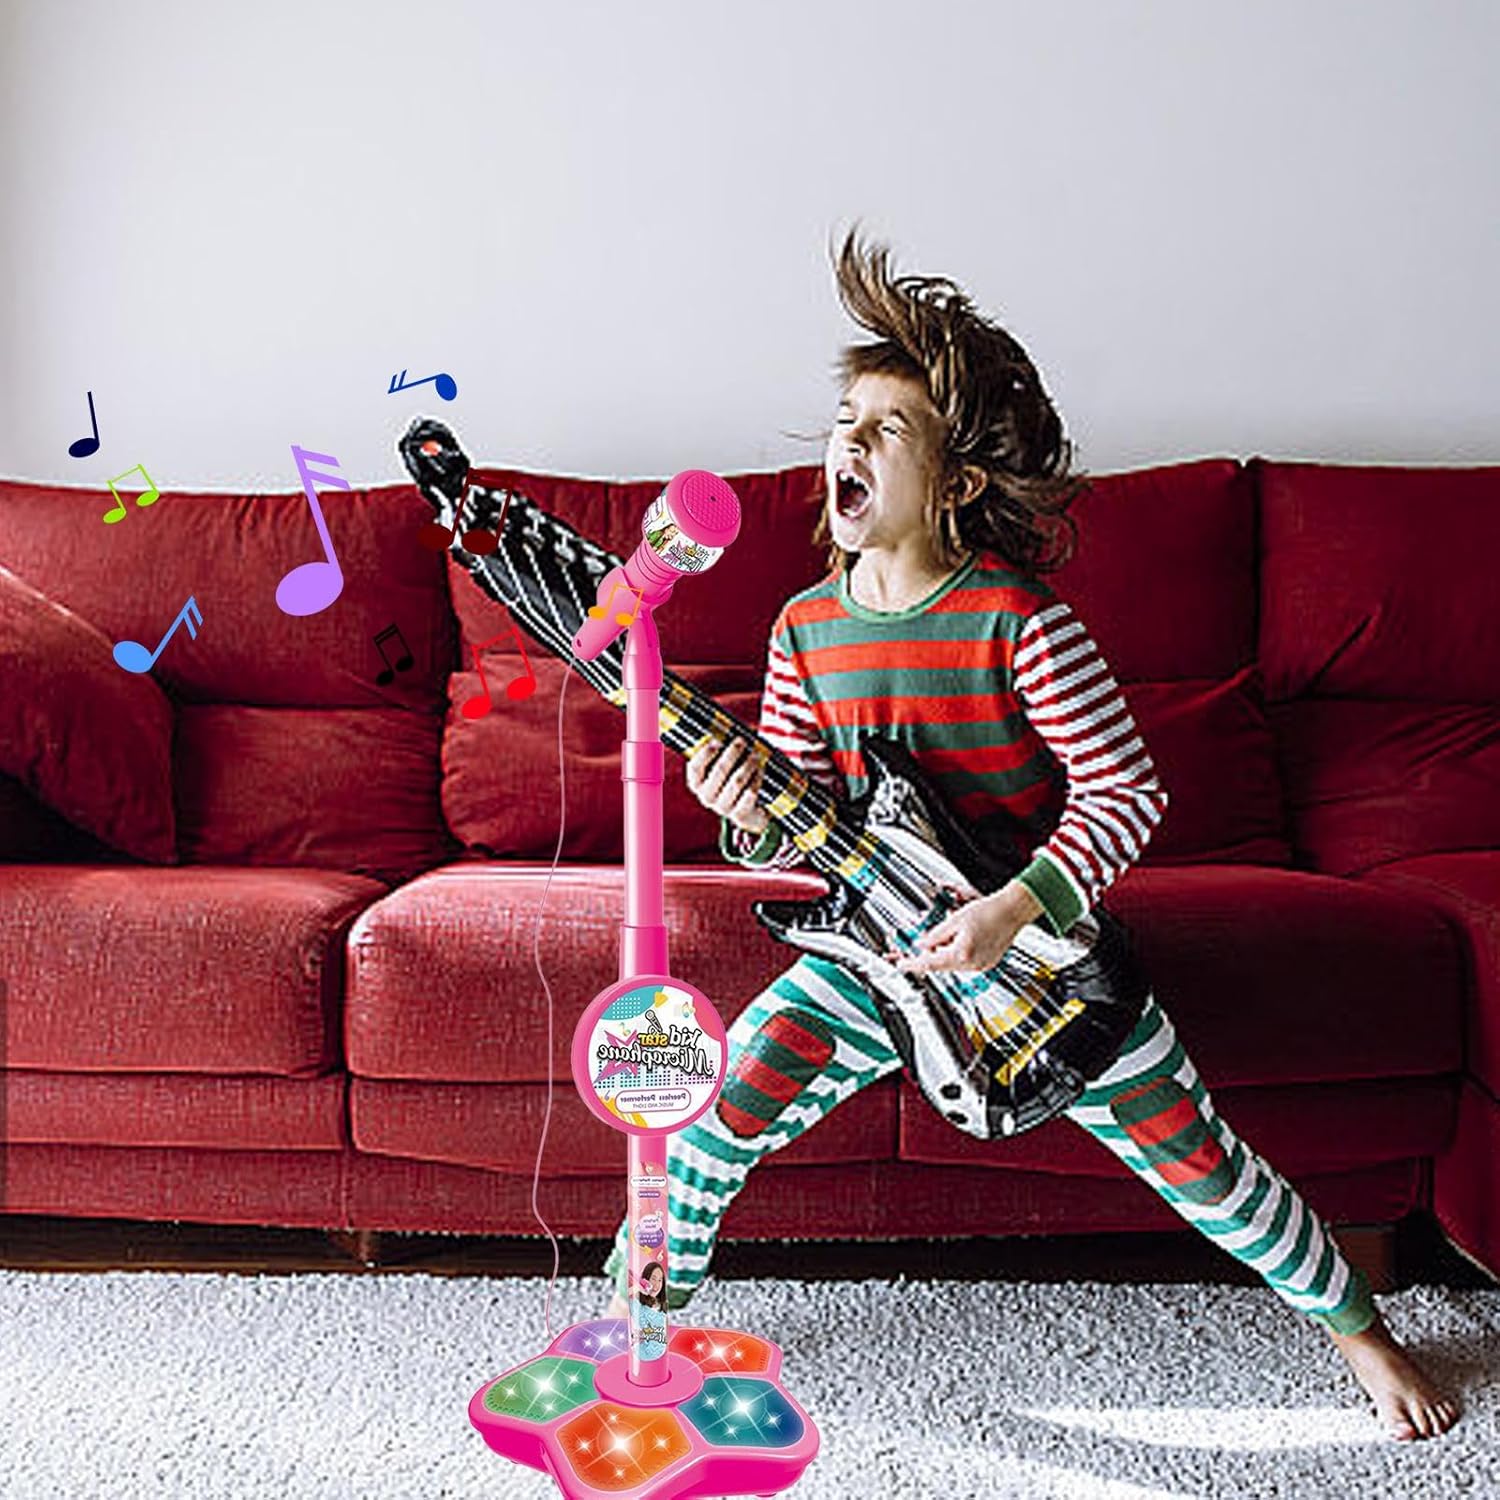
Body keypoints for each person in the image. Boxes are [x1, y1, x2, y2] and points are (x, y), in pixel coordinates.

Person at [602, 225, 1460, 1442]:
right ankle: (638, 1321)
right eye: (844, 422)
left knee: (1204, 1169)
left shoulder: (1021, 621)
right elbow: (810, 828)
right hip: (873, 958)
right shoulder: (800, 630)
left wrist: (1013, 911)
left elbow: (1126, 793)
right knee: (708, 1117)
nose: (849, 443)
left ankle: (1361, 1331)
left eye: (887, 429)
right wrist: (746, 812)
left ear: (955, 483)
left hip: (1041, 967)